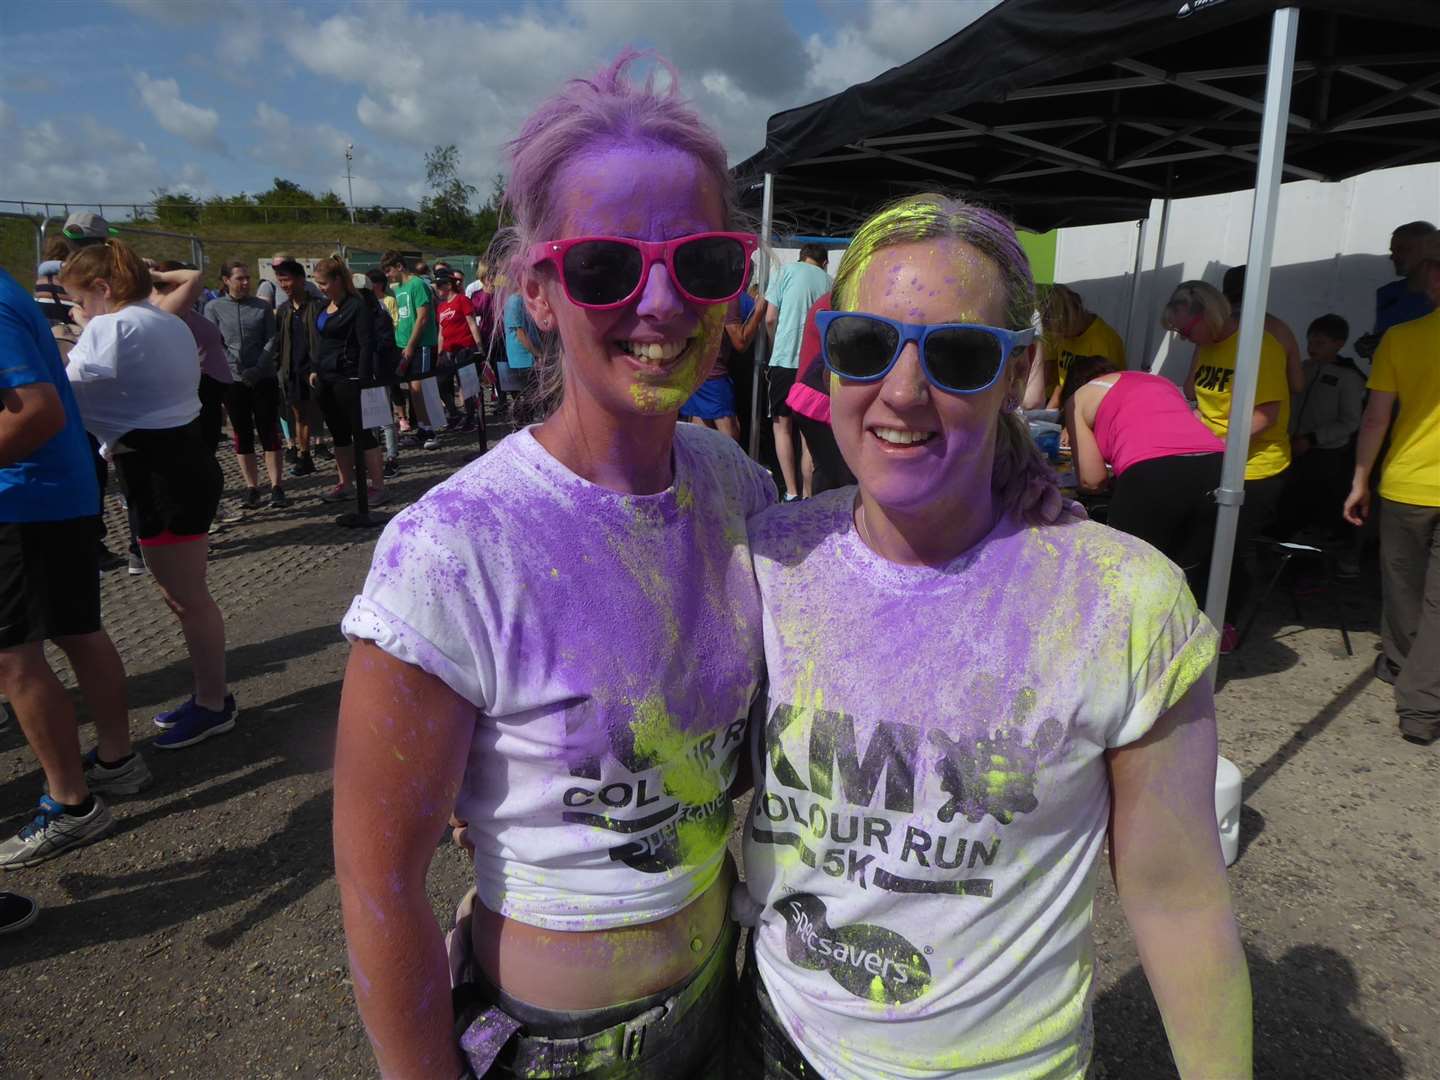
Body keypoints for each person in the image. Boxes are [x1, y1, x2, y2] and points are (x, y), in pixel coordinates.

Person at [735, 193, 1251, 1080]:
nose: (902, 391)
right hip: (774, 1039)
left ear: (1015, 375)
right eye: (866, 345)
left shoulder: (1124, 601)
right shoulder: (775, 556)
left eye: (960, 357)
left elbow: (1179, 898)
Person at [334, 51, 770, 1079]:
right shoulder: (457, 546)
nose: (661, 305)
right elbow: (377, 882)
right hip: (556, 1051)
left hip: (722, 1002)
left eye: (701, 262)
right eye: (608, 269)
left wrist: (1006, 471)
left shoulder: (738, 489)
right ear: (539, 289)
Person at [60, 240, 234, 751]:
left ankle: (213, 702)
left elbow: (63, 389)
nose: (82, 310)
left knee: (189, 599)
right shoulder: (166, 321)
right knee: (185, 596)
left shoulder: (109, 326)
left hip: (160, 470)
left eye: (83, 298)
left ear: (101, 288)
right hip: (177, 461)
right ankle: (209, 696)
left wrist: (75, 334)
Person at [0, 267, 146, 870]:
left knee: (13, 655)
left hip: (22, 499)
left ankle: (71, 804)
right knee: (78, 630)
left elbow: (37, 412)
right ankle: (117, 760)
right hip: (55, 493)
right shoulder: (8, 293)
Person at [1344, 231, 1440, 745]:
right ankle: (1419, 692)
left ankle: (1412, 684)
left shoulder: (1401, 339)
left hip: (1407, 483)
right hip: (1409, 485)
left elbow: (1376, 419)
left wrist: (1360, 478)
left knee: (1403, 589)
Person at [1167, 280, 1291, 632]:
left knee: (1231, 549)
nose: (1184, 338)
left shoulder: (1257, 347)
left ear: (1208, 315)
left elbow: (1265, 415)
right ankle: (1196, 615)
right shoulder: (1208, 343)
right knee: (1199, 540)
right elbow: (1191, 391)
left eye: (1185, 330)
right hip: (1214, 457)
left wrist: (1213, 440)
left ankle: (1227, 621)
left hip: (1255, 466)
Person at [1061, 354, 1225, 602]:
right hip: (1217, 466)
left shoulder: (1079, 398)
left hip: (1153, 473)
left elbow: (1092, 480)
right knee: (1190, 572)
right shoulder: (1159, 382)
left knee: (1127, 576)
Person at [1273, 314, 1365, 557]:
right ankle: (1283, 556)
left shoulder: (1349, 377)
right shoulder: (1302, 368)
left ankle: (1312, 566)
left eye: (1320, 343)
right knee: (1289, 506)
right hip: (1293, 448)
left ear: (1339, 343)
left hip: (1326, 456)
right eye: (1310, 342)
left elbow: (1350, 421)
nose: (1312, 348)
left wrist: (1313, 438)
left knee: (1317, 513)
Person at [205, 261, 287, 509]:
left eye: (247, 278)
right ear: (226, 280)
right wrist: (233, 367)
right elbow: (215, 342)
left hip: (262, 377)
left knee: (269, 430)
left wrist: (258, 367)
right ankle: (252, 486)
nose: (245, 282)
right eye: (239, 278)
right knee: (242, 433)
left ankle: (276, 485)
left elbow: (271, 338)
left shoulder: (261, 306)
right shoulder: (214, 307)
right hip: (232, 380)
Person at [309, 257, 387, 506]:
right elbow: (320, 343)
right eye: (317, 283)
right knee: (339, 435)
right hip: (326, 379)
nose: (320, 287)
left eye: (323, 283)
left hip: (349, 378)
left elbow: (366, 344)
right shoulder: (323, 307)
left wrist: (362, 379)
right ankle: (346, 483)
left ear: (337, 281)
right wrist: (314, 368)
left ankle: (377, 486)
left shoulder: (357, 306)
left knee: (363, 434)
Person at [765, 244, 830, 500]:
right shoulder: (829, 281)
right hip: (813, 367)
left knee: (782, 428)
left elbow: (770, 318)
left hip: (783, 359)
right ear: (824, 262)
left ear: (802, 257)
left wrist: (774, 345)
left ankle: (790, 492)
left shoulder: (787, 271)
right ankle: (808, 494)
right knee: (807, 436)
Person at [785, 291, 856, 495]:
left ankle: (812, 503)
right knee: (834, 472)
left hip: (808, 392)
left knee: (819, 463)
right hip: (820, 397)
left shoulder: (828, 300)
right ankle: (821, 507)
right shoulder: (844, 300)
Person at [679, 290, 760, 442]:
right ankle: (732, 466)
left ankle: (703, 465)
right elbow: (740, 342)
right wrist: (759, 311)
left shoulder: (700, 287)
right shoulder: (729, 295)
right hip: (711, 374)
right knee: (730, 432)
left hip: (696, 369)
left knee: (701, 430)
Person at [268, 259, 323, 478]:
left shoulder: (318, 306)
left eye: (287, 279)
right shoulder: (283, 310)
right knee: (299, 415)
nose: (284, 285)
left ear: (301, 279)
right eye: (280, 280)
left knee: (322, 413)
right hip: (293, 370)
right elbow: (279, 342)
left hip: (316, 370)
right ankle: (305, 455)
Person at [380, 251, 441, 450]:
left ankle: (430, 429)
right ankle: (423, 427)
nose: (387, 275)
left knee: (420, 389)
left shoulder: (417, 285)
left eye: (389, 270)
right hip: (403, 346)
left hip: (420, 345)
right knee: (413, 392)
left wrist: (411, 346)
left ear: (399, 266)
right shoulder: (398, 289)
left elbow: (422, 317)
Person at [1354, 221, 1437, 359]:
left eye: (1402, 249)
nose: (1393, 257)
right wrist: (1369, 346)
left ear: (1427, 250)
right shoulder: (1387, 293)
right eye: (1393, 251)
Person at [1038, 283, 1126, 409]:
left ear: (1073, 315)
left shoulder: (1104, 341)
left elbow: (1106, 393)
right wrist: (1049, 412)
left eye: (1062, 330)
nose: (1061, 337)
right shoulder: (1062, 333)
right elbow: (1060, 381)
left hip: (1092, 408)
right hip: (1069, 406)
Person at [1220, 265, 1304, 395]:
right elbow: (1296, 385)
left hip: (1219, 410)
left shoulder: (1215, 326)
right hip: (1269, 411)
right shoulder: (1280, 329)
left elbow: (1190, 388)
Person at [366, 268, 403, 476]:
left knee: (385, 418)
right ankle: (374, 457)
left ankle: (391, 457)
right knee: (370, 419)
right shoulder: (359, 314)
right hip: (365, 373)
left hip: (379, 371)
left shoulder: (380, 313)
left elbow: (386, 343)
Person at [433, 267, 477, 429]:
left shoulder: (462, 300)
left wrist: (478, 347)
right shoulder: (441, 307)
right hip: (447, 350)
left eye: (439, 285)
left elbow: (471, 323)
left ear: (448, 285)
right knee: (441, 384)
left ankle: (471, 416)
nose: (437, 290)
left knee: (466, 385)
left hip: (464, 348)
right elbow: (441, 332)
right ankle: (454, 412)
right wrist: (439, 353)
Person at [501, 285, 541, 423]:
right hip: (522, 358)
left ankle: (525, 422)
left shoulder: (522, 301)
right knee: (526, 396)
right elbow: (520, 334)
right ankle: (522, 425)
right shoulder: (515, 301)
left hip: (527, 356)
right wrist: (538, 353)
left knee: (530, 396)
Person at [255, 252, 324, 310]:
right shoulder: (268, 286)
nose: (278, 269)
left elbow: (322, 306)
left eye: (283, 265)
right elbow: (262, 313)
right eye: (274, 266)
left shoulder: (309, 286)